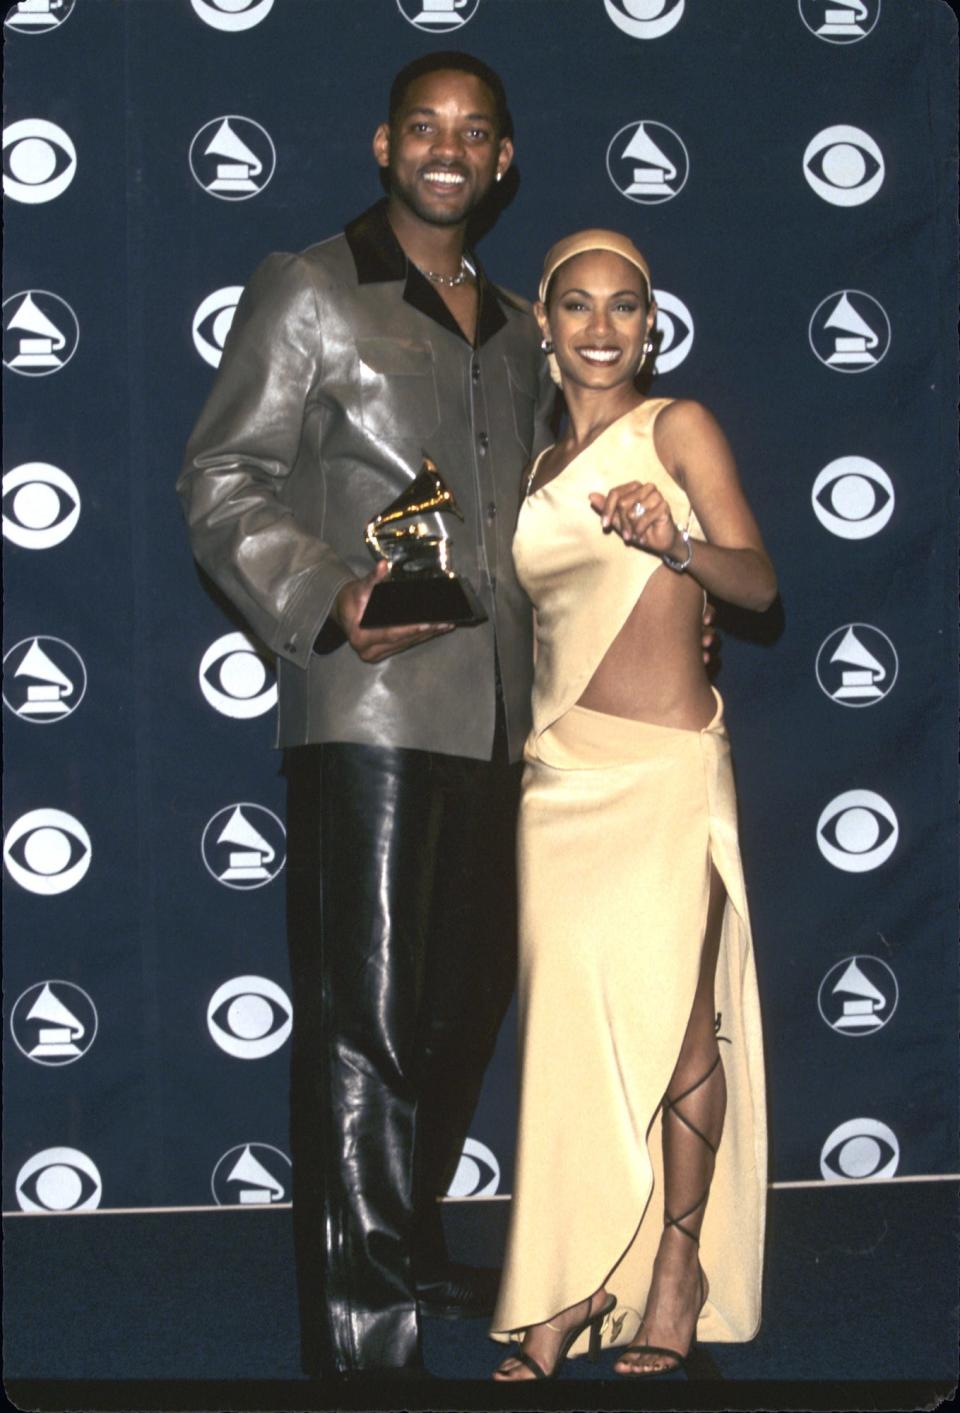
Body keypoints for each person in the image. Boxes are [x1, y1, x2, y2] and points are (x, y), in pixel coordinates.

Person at [177, 53, 557, 1378]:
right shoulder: (312, 289)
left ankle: (397, 1243)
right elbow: (223, 474)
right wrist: (330, 595)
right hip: (373, 706)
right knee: (369, 1018)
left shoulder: (521, 328)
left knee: (460, 1006)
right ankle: (359, 1332)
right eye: (424, 127)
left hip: (506, 721)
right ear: (383, 144)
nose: (447, 150)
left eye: (473, 133)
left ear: (502, 162)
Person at [490, 230, 775, 1381]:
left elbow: (760, 584)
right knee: (565, 1042)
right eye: (576, 307)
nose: (600, 328)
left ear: (649, 327)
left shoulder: (680, 429)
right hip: (558, 779)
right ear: (546, 325)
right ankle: (560, 1284)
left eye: (623, 308)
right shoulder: (525, 469)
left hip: (665, 768)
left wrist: (682, 546)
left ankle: (674, 1267)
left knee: (681, 1021)